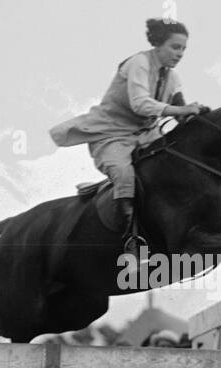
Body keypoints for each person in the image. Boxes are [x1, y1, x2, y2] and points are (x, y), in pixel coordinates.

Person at [49, 18, 210, 255]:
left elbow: (180, 110)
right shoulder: (139, 63)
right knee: (125, 175)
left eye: (184, 49)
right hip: (110, 135)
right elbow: (140, 104)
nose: (180, 54)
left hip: (146, 135)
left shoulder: (173, 77)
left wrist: (199, 116)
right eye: (175, 47)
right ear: (158, 44)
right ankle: (130, 239)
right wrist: (180, 111)